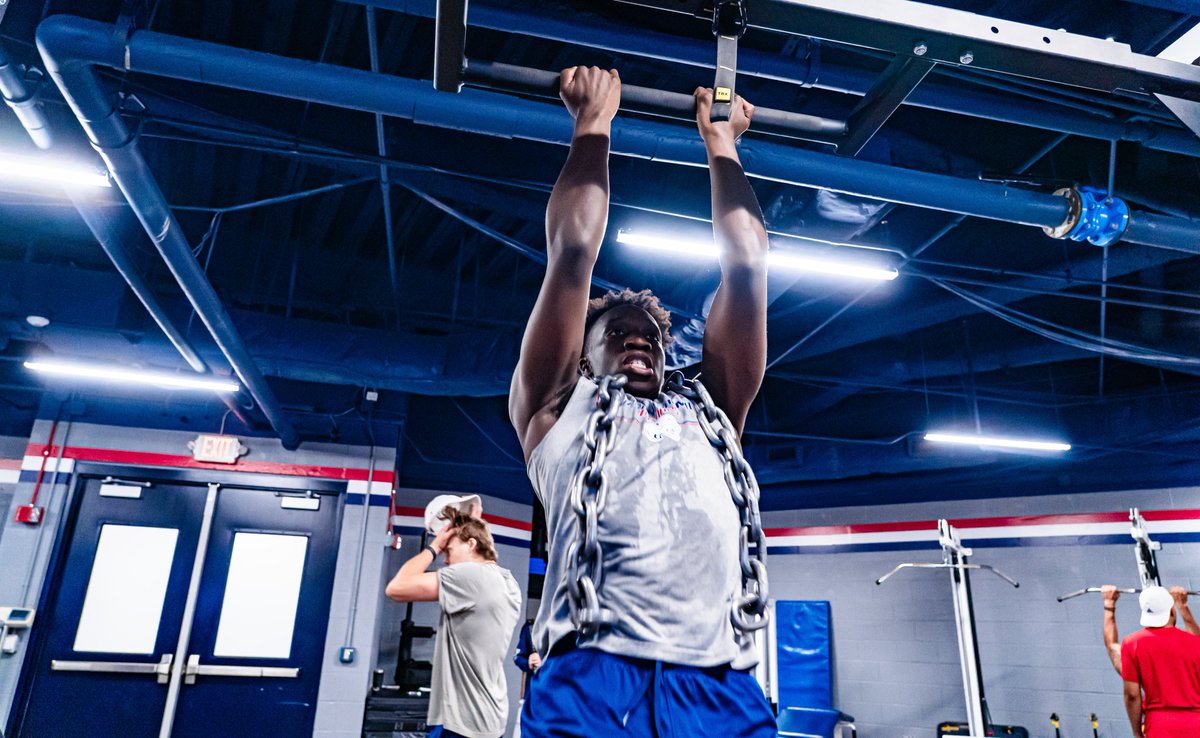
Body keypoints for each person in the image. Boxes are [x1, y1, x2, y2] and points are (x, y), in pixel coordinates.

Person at [508, 65, 774, 738]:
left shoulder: (711, 412)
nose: (639, 342)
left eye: (652, 337)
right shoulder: (554, 409)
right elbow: (572, 251)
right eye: (616, 334)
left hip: (721, 684)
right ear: (582, 356)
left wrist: (722, 144)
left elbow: (748, 263)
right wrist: (592, 125)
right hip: (593, 677)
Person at [385, 506, 522, 738]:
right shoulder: (507, 581)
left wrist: (434, 547)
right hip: (489, 717)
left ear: (471, 545)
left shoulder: (471, 576)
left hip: (462, 724)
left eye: (448, 551)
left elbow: (396, 588)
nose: (446, 560)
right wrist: (472, 527)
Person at [1120, 585, 1200, 737]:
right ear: (1172, 611)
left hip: (1159, 726)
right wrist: (1183, 607)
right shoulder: (1195, 642)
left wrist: (1137, 732)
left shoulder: (1131, 643)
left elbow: (1132, 695)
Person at [1102, 584, 1200, 675]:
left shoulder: (1139, 660)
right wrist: (1182, 606)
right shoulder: (1185, 653)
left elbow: (1111, 646)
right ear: (1172, 613)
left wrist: (1109, 603)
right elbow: (1196, 642)